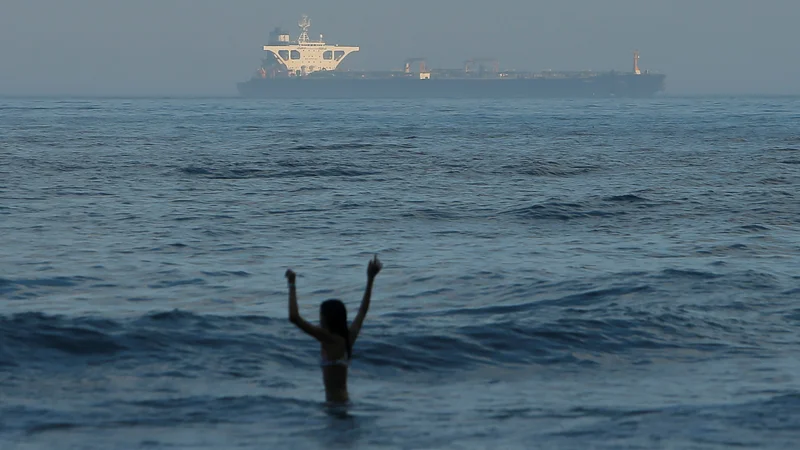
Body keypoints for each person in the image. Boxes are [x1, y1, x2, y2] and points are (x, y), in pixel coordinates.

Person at [285, 255, 382, 403]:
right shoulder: (347, 338)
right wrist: (370, 279)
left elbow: (294, 317)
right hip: (343, 402)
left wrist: (292, 285)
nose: (319, 321)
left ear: (328, 319)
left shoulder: (329, 339)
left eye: (321, 317)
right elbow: (362, 311)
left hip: (335, 406)